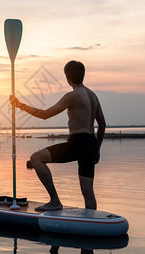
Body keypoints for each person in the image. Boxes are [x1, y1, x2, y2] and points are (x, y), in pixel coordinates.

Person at [9, 60, 105, 211]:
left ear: (67, 78)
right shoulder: (93, 96)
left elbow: (44, 115)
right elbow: (102, 124)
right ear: (83, 75)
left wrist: (20, 105)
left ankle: (55, 201)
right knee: (88, 193)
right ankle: (93, 222)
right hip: (90, 143)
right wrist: (97, 149)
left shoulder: (72, 96)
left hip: (77, 143)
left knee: (36, 158)